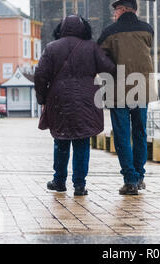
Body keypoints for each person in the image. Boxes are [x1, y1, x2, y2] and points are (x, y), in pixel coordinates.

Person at [34, 15, 116, 196]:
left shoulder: (52, 48)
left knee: (61, 140)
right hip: (86, 100)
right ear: (84, 29)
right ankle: (79, 185)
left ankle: (59, 180)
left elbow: (40, 75)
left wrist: (43, 99)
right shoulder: (92, 48)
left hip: (58, 100)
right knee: (82, 141)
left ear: (61, 29)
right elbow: (110, 69)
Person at [97, 0, 156, 195]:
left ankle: (129, 180)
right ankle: (139, 176)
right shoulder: (147, 30)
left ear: (122, 10)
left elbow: (99, 58)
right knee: (140, 133)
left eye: (115, 12)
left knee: (122, 135)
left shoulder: (108, 33)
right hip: (142, 88)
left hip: (117, 89)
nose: (114, 15)